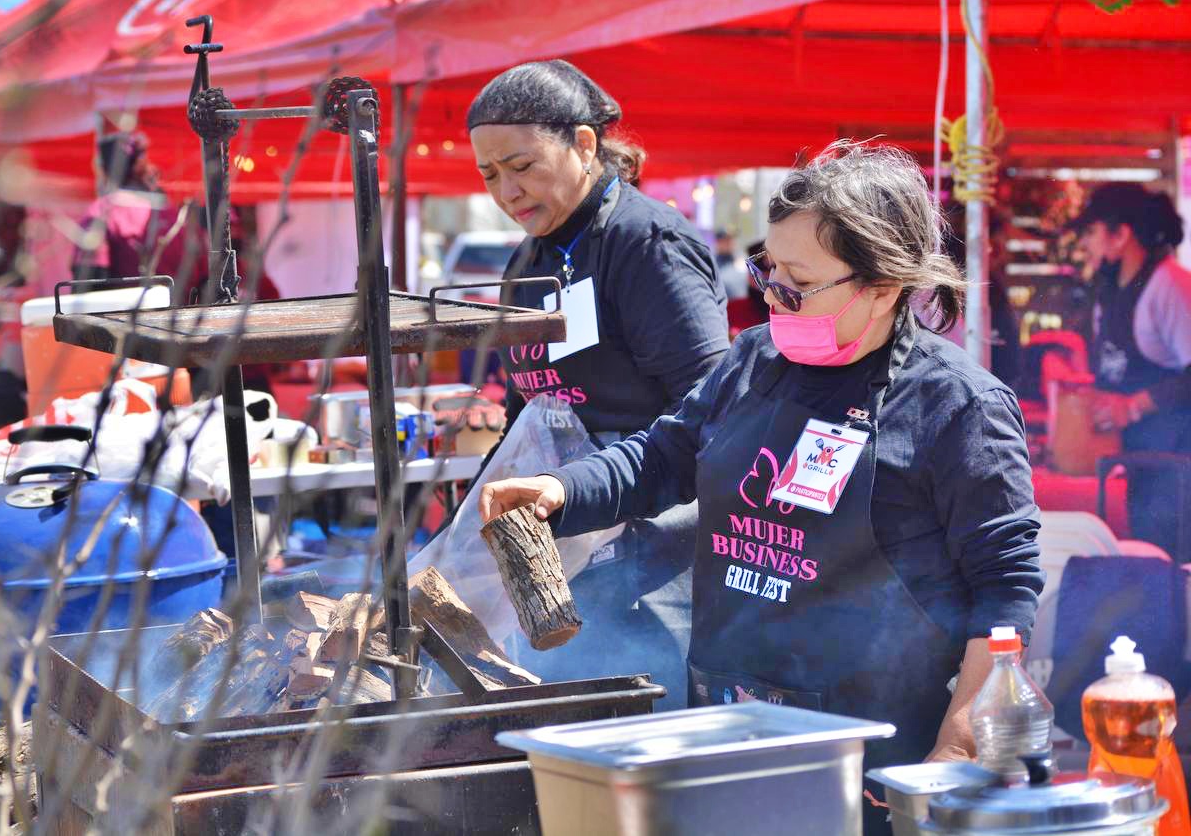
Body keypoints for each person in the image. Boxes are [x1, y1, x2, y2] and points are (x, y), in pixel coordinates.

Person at [480, 141, 1044, 835]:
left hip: (868, 759)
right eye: (768, 270)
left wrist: (958, 743)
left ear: (883, 284)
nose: (772, 295)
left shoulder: (957, 406)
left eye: (797, 283)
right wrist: (559, 489)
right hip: (728, 723)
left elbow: (1006, 591)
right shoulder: (753, 360)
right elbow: (663, 456)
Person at [465, 60, 729, 707]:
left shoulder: (647, 244)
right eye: (490, 174)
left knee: (642, 754)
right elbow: (528, 401)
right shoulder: (526, 261)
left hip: (653, 554)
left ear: (584, 144)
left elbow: (713, 410)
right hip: (559, 556)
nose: (507, 190)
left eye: (522, 165)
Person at [1071, 183, 1191, 558]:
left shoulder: (1168, 284)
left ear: (1120, 235)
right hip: (1140, 460)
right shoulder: (1111, 293)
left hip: (1176, 465)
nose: (1085, 245)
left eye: (1091, 232)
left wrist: (1135, 405)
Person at [71, 131, 208, 303]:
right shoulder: (173, 212)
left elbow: (87, 283)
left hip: (128, 324)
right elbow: (206, 275)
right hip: (185, 322)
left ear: (105, 170)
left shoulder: (101, 213)